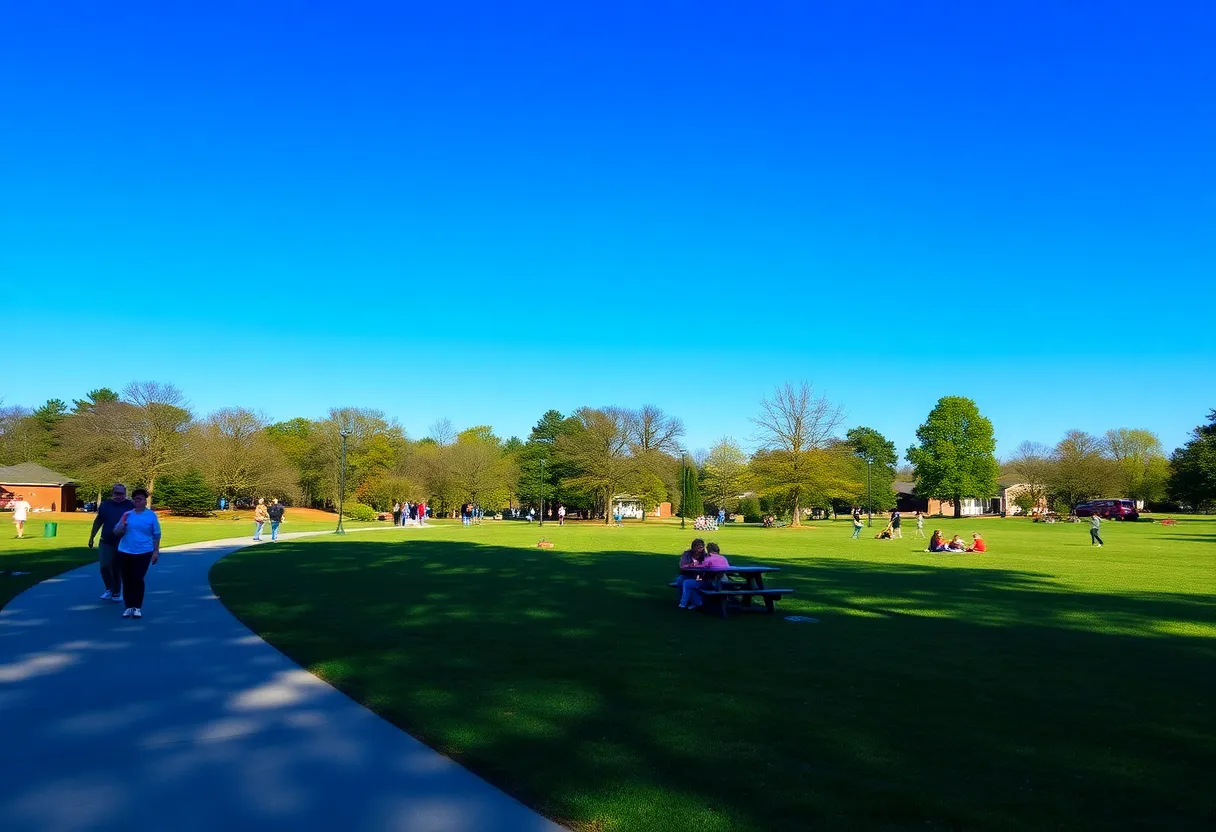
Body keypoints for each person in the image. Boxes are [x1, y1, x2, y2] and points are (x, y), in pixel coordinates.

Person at [112, 488, 161, 619]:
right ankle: (128, 607)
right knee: (127, 579)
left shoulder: (151, 515)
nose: (137, 501)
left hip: (144, 551)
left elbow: (156, 534)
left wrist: (156, 552)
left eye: (140, 499)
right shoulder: (127, 514)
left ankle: (137, 607)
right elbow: (116, 531)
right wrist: (121, 526)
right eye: (135, 499)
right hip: (125, 551)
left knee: (138, 578)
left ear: (145, 501)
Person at [88, 483, 135, 601]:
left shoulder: (130, 506)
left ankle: (116, 592)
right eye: (116, 493)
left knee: (117, 567)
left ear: (125, 494)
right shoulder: (105, 505)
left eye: (121, 494)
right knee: (104, 566)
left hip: (123, 542)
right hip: (106, 540)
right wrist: (92, 537)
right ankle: (109, 588)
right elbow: (98, 521)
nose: (119, 496)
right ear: (112, 493)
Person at [681, 540, 730, 610]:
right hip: (725, 582)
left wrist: (686, 566)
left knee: (687, 583)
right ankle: (696, 603)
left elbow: (698, 567)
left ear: (708, 550)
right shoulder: (723, 558)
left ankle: (683, 604)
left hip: (714, 583)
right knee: (695, 583)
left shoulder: (708, 559)